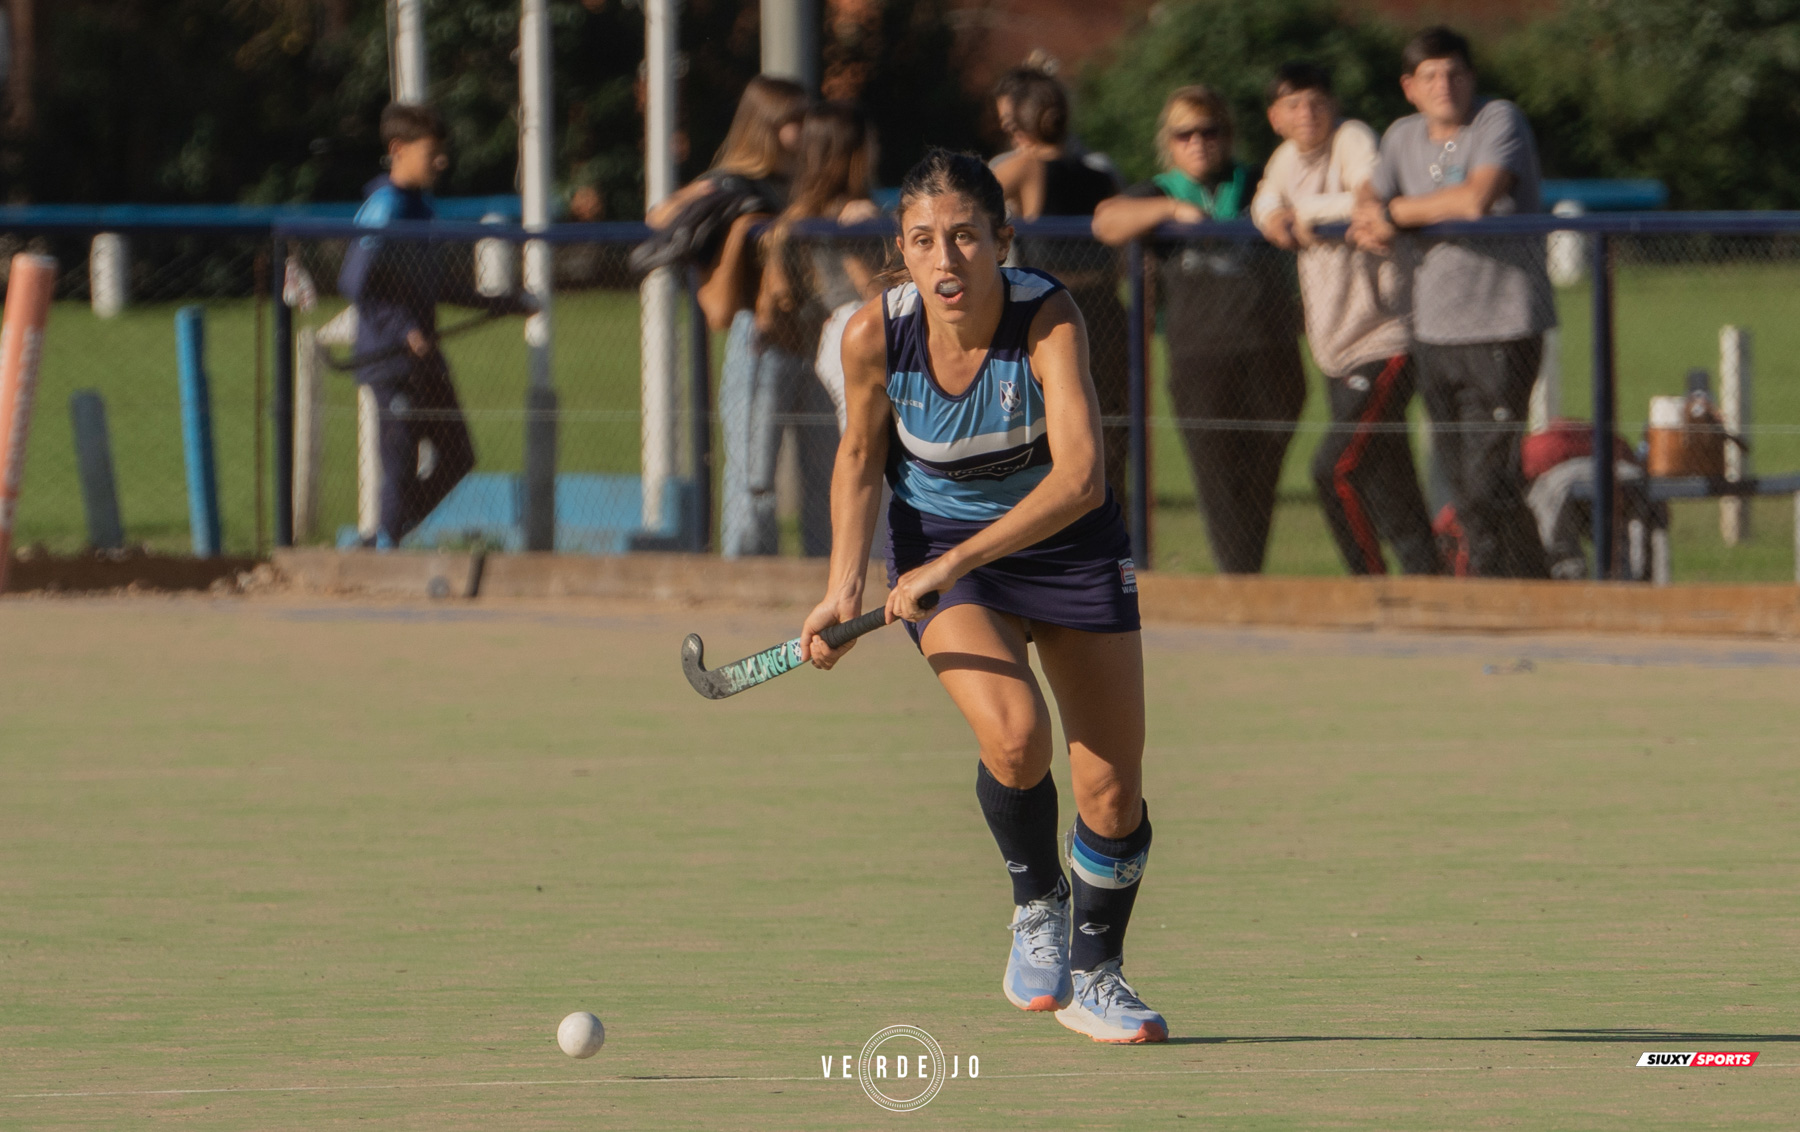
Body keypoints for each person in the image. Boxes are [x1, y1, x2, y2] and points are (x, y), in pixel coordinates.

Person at [800, 150, 1165, 1044]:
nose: (947, 259)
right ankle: (1035, 900)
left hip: (1069, 548)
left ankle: (1098, 978)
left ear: (1002, 240)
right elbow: (857, 459)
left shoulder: (1048, 318)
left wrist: (949, 558)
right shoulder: (872, 335)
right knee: (1014, 734)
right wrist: (841, 589)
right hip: (944, 557)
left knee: (1111, 794)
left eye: (966, 237)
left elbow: (1081, 478)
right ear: (902, 252)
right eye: (924, 241)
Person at [1349, 27, 1554, 579]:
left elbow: (1473, 200)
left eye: (1456, 72)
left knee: (1489, 482)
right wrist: (1371, 210)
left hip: (1502, 325)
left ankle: (1494, 596)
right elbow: (1372, 194)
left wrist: (1394, 216)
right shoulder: (1400, 137)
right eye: (1431, 75)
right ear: (1409, 87)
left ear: (1472, 78)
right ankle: (1535, 589)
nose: (1445, 85)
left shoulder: (1497, 121)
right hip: (1433, 331)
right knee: (1466, 487)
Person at [1092, 86, 1305, 574]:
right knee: (1219, 483)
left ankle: (1246, 576)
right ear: (1169, 140)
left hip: (1271, 353)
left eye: (1210, 131)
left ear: (1227, 135)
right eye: (1185, 134)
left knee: (1261, 479)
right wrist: (1169, 213)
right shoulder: (1161, 190)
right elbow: (1107, 223)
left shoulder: (1255, 181)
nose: (1198, 142)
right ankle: (1238, 584)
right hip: (1200, 361)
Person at [1252, 63, 1441, 576]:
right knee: (1387, 477)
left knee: (1333, 470)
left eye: (1316, 101)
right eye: (1293, 104)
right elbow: (1265, 199)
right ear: (1276, 117)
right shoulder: (1287, 158)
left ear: (1333, 106)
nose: (1306, 113)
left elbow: (1368, 195)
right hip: (1335, 348)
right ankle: (1430, 582)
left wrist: (1304, 213)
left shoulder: (1353, 138)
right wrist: (1274, 215)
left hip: (1383, 338)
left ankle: (1369, 585)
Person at [338, 103, 532, 547]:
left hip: (424, 358)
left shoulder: (423, 208)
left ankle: (384, 539)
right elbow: (355, 283)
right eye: (432, 152)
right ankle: (383, 545)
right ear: (398, 150)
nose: (441, 161)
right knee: (401, 461)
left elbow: (434, 284)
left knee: (457, 456)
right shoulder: (384, 207)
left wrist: (499, 302)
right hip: (390, 360)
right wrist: (404, 327)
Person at [646, 76, 808, 557]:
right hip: (759, 336)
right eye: (792, 122)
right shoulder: (736, 181)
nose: (803, 132)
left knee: (831, 464)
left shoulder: (801, 181)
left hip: (813, 334)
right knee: (752, 474)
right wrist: (734, 214)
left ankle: (825, 576)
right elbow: (661, 216)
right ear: (766, 126)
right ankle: (746, 569)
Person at [989, 67, 1131, 510]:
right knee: (1104, 428)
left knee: (1044, 427)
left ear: (1022, 126)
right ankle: (1111, 520)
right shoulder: (1100, 173)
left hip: (1050, 313)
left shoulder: (1027, 167)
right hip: (1106, 309)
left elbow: (968, 195)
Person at [755, 102, 884, 555]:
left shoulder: (797, 216)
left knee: (854, 446)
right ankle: (872, 554)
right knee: (872, 449)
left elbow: (779, 296)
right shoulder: (858, 212)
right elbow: (870, 287)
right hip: (861, 325)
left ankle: (856, 551)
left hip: (831, 332)